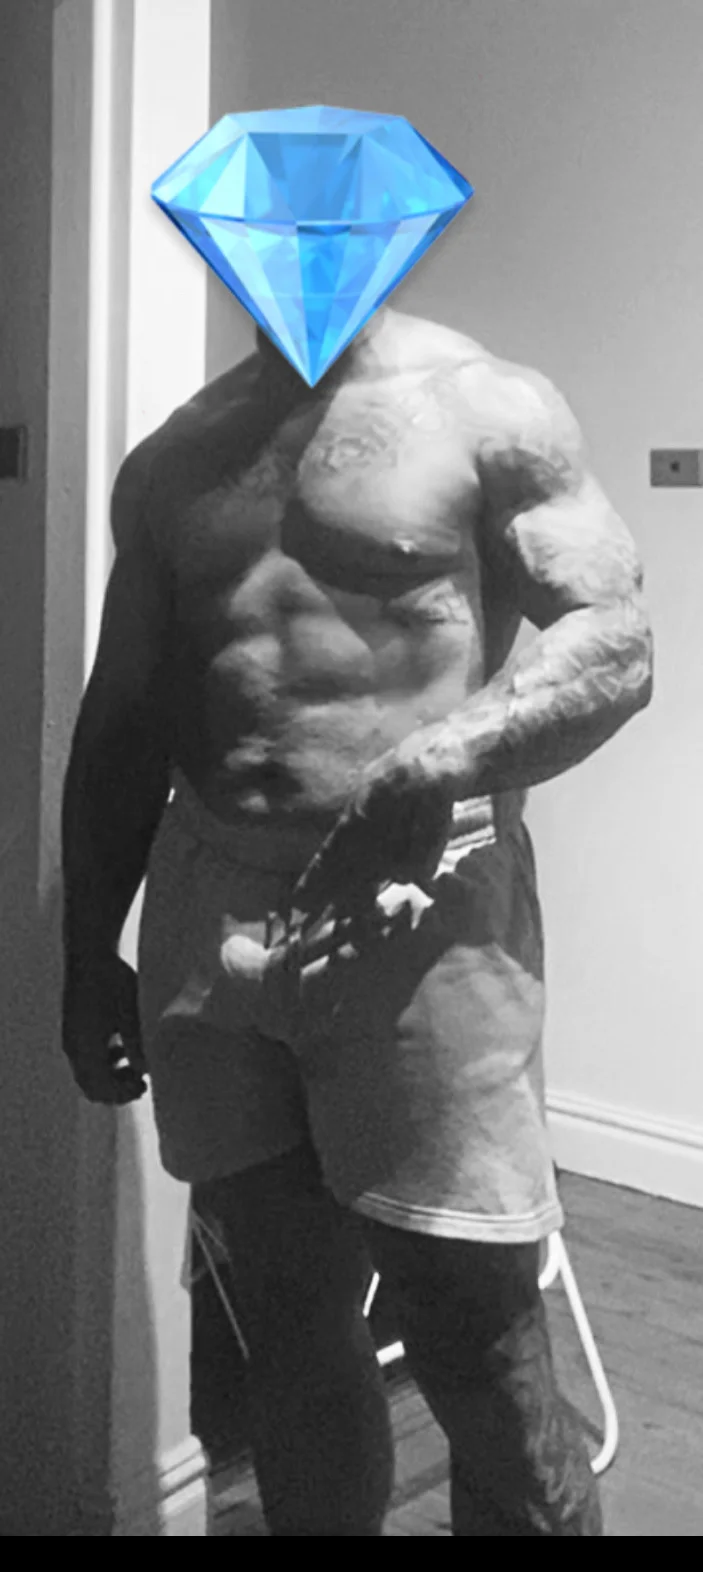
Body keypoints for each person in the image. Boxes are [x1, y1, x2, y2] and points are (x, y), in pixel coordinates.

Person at [61, 305, 653, 1536]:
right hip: (213, 908)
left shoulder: (489, 405)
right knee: (285, 1320)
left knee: (477, 1339)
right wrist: (84, 954)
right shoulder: (176, 456)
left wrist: (439, 758)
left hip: (421, 917)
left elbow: (615, 643)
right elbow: (122, 720)